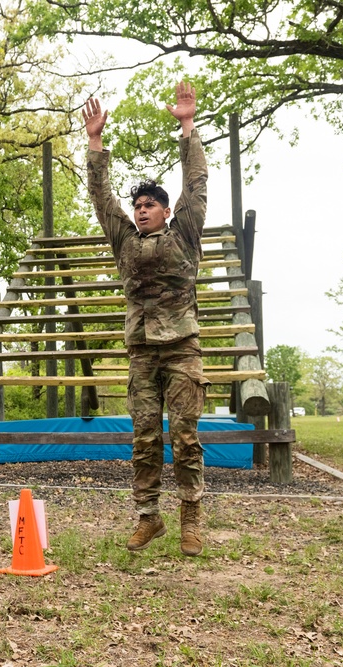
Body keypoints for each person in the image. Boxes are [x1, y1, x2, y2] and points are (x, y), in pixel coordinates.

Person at [82, 82, 209, 556]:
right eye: (136, 206)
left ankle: (191, 518)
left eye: (148, 205)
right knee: (144, 436)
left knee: (186, 434)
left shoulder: (185, 232)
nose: (140, 210)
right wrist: (96, 144)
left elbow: (196, 183)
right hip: (140, 352)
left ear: (166, 210)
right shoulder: (125, 242)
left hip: (181, 348)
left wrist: (186, 127)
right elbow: (101, 198)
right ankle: (147, 517)